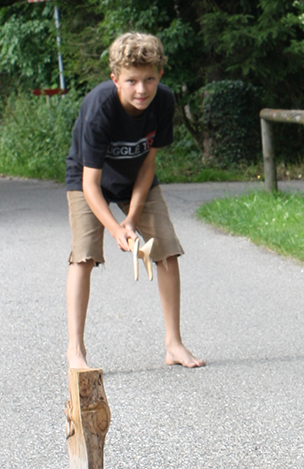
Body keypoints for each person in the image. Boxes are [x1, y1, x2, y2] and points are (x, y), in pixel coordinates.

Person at [65, 32, 204, 369]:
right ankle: (75, 351)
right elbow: (90, 183)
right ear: (115, 79)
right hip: (90, 180)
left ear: (160, 76)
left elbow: (148, 163)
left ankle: (174, 344)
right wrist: (115, 229)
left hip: (136, 177)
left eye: (149, 80)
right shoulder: (99, 108)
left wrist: (132, 218)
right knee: (83, 256)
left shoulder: (164, 102)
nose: (141, 89)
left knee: (167, 249)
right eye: (131, 81)